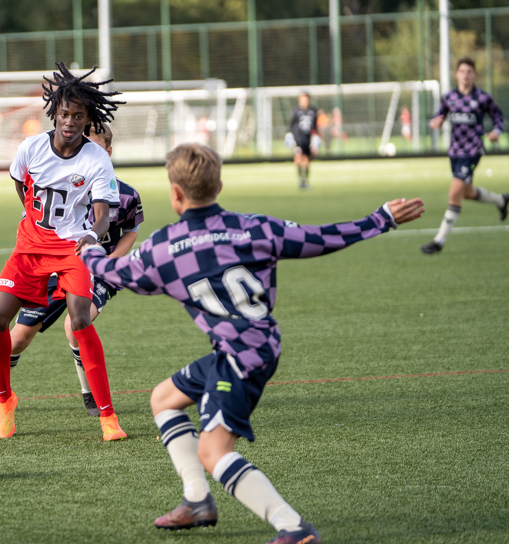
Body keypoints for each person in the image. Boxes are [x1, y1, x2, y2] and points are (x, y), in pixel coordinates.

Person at [80, 143, 425, 543]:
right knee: (163, 399)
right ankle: (197, 502)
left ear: (175, 194)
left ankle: (293, 527)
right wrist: (380, 219)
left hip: (241, 358)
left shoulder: (162, 249)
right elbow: (323, 237)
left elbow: (116, 271)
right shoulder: (255, 227)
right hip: (252, 347)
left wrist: (88, 253)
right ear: (219, 185)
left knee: (213, 453)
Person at [0, 125, 144, 417]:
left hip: (94, 268)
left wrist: (108, 264)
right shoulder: (58, 183)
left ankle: (92, 397)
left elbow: (131, 231)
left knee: (75, 324)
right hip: (53, 261)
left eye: (92, 144)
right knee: (18, 334)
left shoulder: (126, 195)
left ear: (105, 152)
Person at [0, 62, 127, 442]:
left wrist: (92, 236)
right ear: (55, 112)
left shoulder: (97, 160)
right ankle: (4, 399)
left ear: (87, 119)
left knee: (80, 318)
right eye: (64, 113)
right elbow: (21, 186)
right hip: (30, 245)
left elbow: (103, 214)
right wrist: (33, 220)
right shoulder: (31, 148)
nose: (69, 121)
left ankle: (108, 417)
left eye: (78, 116)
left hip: (72, 250)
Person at [421, 56, 507, 254]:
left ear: (474, 74)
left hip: (473, 151)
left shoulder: (483, 98)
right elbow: (438, 115)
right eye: (462, 71)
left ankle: (439, 241)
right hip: (455, 152)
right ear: (457, 74)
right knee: (466, 192)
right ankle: (502, 201)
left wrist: (496, 131)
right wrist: (436, 121)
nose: (465, 75)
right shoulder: (449, 97)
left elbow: (497, 116)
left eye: (469, 71)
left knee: (454, 193)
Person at [285, 92, 321, 189]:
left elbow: (315, 127)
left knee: (307, 160)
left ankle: (305, 181)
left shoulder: (313, 110)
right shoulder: (296, 111)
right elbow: (291, 125)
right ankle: (301, 179)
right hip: (298, 139)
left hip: (308, 139)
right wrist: (289, 136)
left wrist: (315, 140)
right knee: (298, 159)